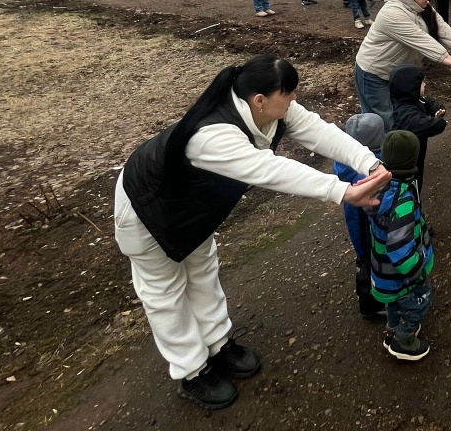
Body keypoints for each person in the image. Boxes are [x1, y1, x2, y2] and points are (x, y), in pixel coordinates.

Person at [114, 55, 391, 410]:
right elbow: (270, 170)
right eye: (288, 95)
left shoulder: (270, 108)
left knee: (202, 271)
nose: (293, 101)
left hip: (196, 207)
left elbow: (320, 131)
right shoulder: (211, 137)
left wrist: (369, 162)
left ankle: (218, 344)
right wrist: (342, 191)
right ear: (259, 99)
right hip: (149, 209)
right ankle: (191, 370)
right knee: (164, 291)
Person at [354, 0, 451, 127]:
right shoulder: (391, 13)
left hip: (396, 73)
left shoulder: (420, 6)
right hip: (374, 73)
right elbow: (422, 41)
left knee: (399, 116)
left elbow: (441, 28)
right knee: (381, 121)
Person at [367, 130, 434, 361]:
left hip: (383, 269)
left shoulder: (377, 188)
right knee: (419, 301)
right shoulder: (402, 199)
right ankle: (404, 340)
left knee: (394, 301)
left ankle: (393, 328)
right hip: (403, 274)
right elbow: (401, 251)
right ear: (412, 160)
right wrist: (417, 273)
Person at [333, 113, 386, 320]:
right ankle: (370, 305)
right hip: (365, 227)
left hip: (358, 223)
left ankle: (372, 299)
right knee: (368, 262)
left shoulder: (345, 164)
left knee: (365, 259)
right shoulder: (367, 174)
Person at [389, 64, 447, 193]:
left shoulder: (414, 101)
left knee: (417, 181)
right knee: (410, 187)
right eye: (421, 83)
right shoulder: (405, 113)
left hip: (417, 156)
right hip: (406, 163)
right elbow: (429, 125)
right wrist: (439, 121)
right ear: (410, 87)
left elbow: (429, 102)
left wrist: (436, 110)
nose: (425, 84)